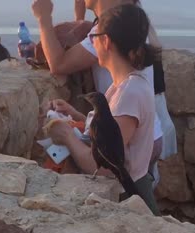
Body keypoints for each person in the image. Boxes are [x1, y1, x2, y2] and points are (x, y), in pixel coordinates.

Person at [33, 2, 161, 215]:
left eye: (93, 38)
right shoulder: (124, 84)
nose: (92, 42)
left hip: (128, 197)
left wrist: (67, 137)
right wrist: (76, 116)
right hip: (131, 188)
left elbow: (101, 166)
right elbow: (112, 133)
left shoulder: (129, 92)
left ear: (106, 41)